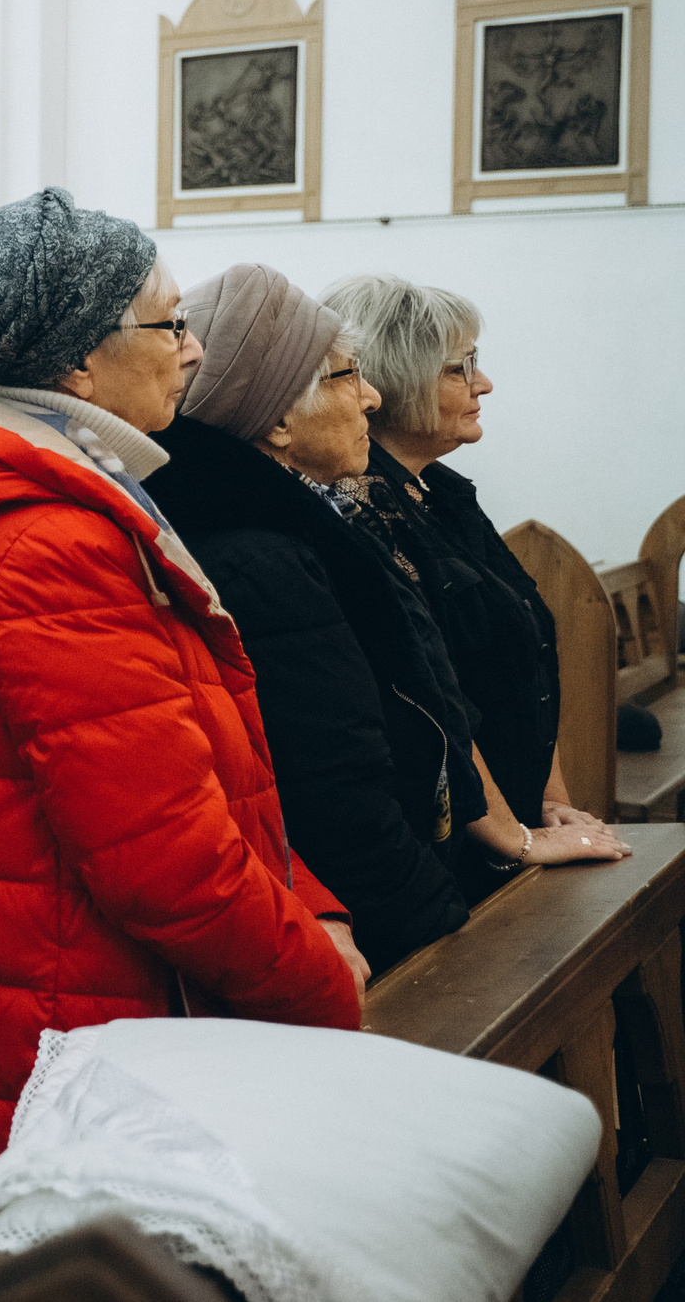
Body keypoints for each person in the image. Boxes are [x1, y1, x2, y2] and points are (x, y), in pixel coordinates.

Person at [0, 190, 364, 1301]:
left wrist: (302, 893)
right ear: (80, 365)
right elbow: (162, 856)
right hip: (42, 1046)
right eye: (168, 324)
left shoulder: (66, 496)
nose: (192, 350)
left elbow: (185, 776)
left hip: (36, 1018)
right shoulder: (49, 540)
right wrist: (324, 985)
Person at [145, 265, 483, 974]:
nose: (371, 397)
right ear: (275, 420)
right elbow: (333, 790)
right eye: (345, 376)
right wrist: (439, 923)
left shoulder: (294, 531)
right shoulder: (261, 561)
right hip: (378, 925)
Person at [320, 274, 616, 886]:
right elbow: (433, 695)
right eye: (461, 367)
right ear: (398, 380)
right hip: (455, 845)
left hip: (513, 820)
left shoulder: (442, 494)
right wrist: (517, 837)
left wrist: (549, 804)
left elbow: (523, 657)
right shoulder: (364, 510)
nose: (483, 383)